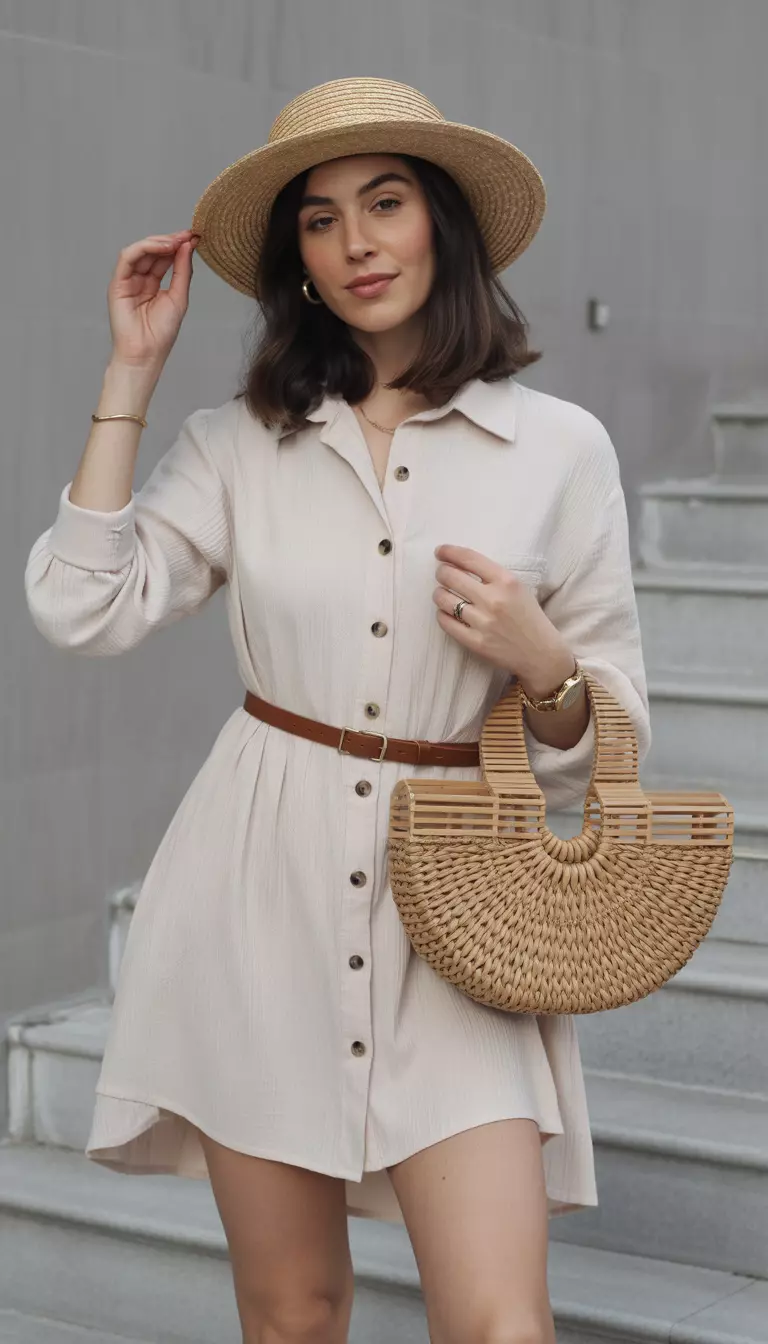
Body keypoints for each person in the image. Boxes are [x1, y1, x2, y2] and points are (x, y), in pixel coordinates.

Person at [25, 77, 650, 1344]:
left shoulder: (561, 450)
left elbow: (611, 743)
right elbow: (82, 608)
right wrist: (130, 374)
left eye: (386, 202)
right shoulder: (242, 442)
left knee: (499, 1323)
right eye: (319, 220)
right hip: (255, 899)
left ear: (446, 227)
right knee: (294, 1314)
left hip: (460, 911)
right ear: (296, 261)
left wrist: (543, 665)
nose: (357, 241)